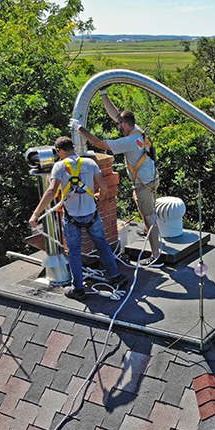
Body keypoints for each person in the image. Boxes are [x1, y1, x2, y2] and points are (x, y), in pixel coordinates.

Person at [29, 136, 127, 300]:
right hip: (91, 214)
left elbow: (51, 191)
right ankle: (115, 277)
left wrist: (36, 213)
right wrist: (100, 196)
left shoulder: (59, 167)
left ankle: (79, 289)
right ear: (73, 147)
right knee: (102, 244)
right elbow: (103, 186)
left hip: (72, 217)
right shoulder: (89, 163)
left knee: (74, 253)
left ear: (59, 151)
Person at [71, 89, 161, 265]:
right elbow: (115, 115)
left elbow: (98, 143)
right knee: (146, 214)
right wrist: (104, 94)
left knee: (149, 218)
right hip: (149, 178)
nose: (117, 127)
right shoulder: (137, 131)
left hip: (144, 184)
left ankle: (156, 256)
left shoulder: (127, 142)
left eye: (119, 125)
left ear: (125, 125)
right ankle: (150, 237)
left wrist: (79, 128)